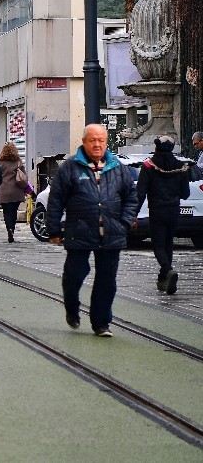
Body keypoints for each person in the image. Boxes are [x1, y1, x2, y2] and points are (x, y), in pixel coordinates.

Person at [47, 124, 138, 337]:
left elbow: (131, 198)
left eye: (101, 140)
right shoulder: (70, 167)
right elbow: (56, 200)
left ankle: (101, 323)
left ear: (106, 142)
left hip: (112, 232)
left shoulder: (118, 167)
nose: (97, 144)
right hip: (79, 230)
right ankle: (72, 306)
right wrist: (53, 229)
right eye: (92, 140)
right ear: (84, 141)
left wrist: (124, 222)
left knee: (107, 280)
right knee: (74, 275)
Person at [136, 136, 191, 295]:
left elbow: (140, 193)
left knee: (158, 245)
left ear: (156, 148)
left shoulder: (148, 166)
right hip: (174, 211)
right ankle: (163, 279)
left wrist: (133, 214)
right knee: (168, 244)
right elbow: (185, 194)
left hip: (157, 211)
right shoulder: (180, 167)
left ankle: (168, 270)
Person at [0, 142, 28, 243]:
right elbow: (24, 175)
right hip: (16, 190)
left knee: (6, 212)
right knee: (14, 211)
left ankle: (9, 229)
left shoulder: (0, 162)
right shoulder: (18, 162)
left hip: (4, 190)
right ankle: (12, 229)